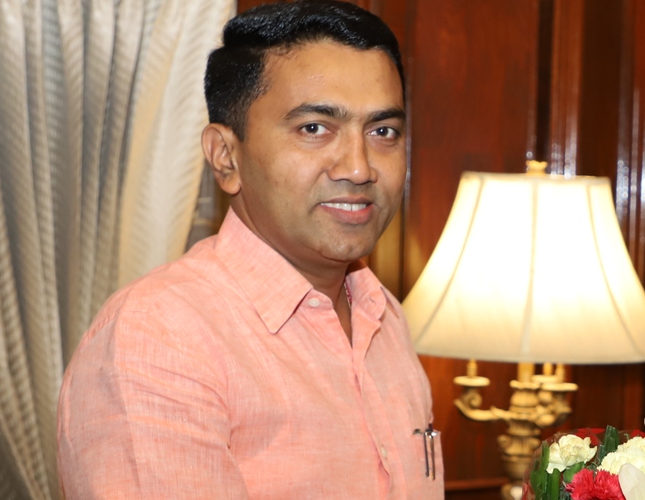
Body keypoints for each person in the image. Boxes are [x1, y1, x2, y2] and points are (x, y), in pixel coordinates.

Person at [56, 2, 441, 498]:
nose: (359, 167)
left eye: (382, 132)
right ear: (225, 156)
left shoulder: (383, 317)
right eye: (314, 129)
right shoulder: (158, 338)